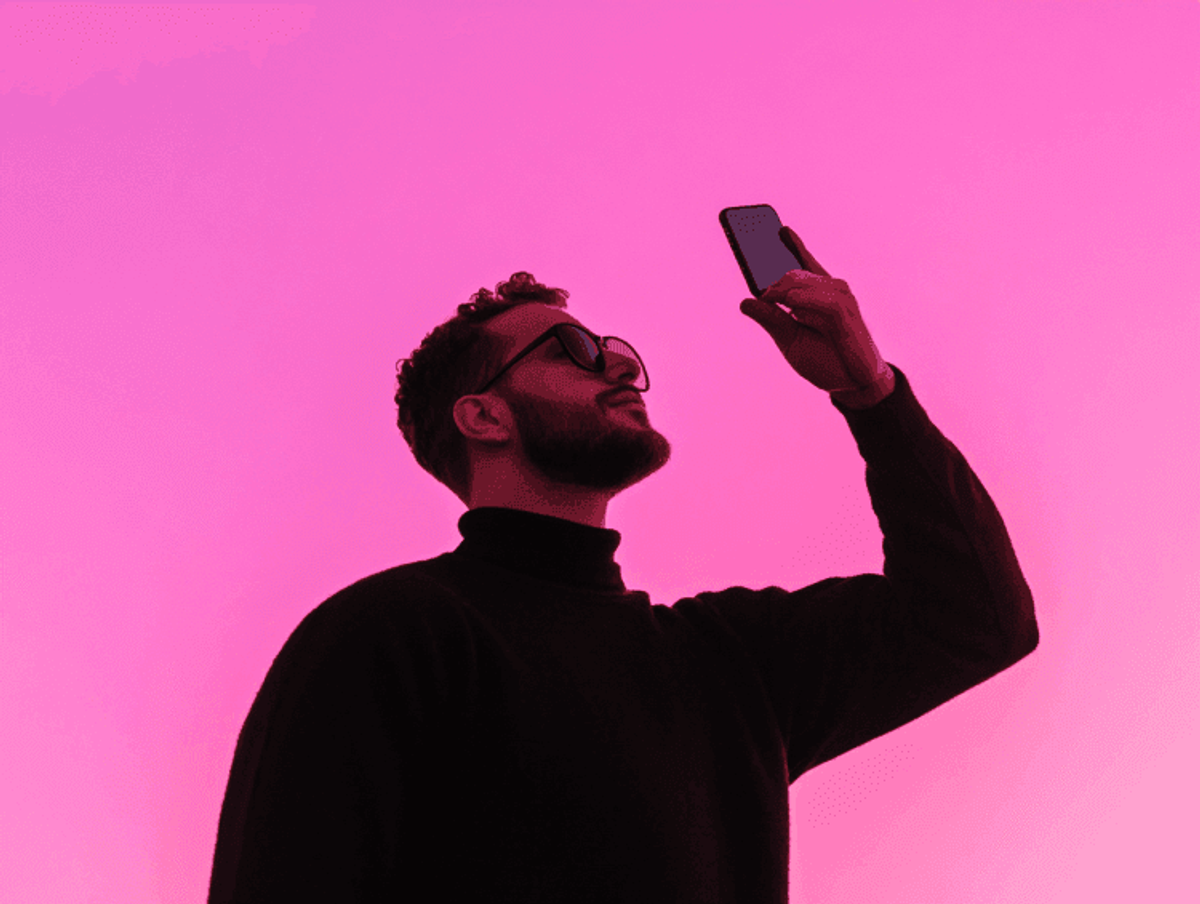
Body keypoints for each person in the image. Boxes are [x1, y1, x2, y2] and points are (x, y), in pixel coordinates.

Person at [207, 227, 1038, 903]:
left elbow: (975, 616)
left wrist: (872, 392)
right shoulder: (390, 634)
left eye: (617, 348)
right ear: (484, 415)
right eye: (568, 349)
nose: (618, 364)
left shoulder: (726, 665)